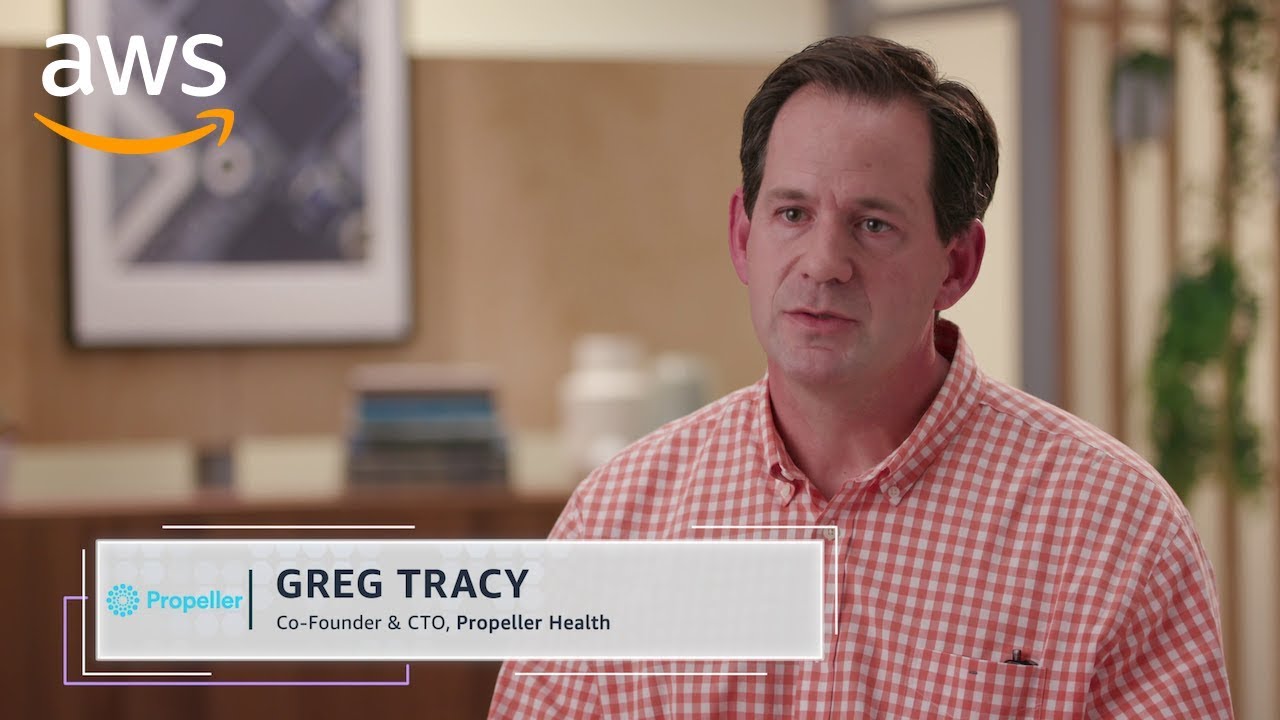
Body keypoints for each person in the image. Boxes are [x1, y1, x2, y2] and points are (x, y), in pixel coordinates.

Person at [489, 35, 1232, 718]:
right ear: (743, 237)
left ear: (957, 265)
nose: (823, 263)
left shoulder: (1116, 532)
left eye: (873, 224)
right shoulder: (616, 522)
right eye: (792, 214)